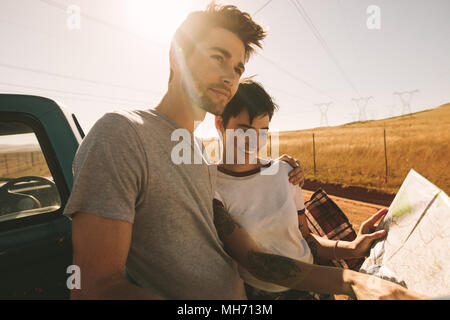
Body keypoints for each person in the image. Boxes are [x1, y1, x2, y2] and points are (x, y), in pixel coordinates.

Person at [63, 3, 304, 299]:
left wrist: (273, 167)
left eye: (238, 68)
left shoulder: (197, 151)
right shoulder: (122, 132)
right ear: (177, 55)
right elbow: (94, 290)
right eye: (218, 57)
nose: (230, 77)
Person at [212, 79, 428, 300]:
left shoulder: (286, 172)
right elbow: (254, 261)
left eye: (263, 131)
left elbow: (303, 238)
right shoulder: (211, 187)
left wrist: (351, 248)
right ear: (220, 123)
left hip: (319, 287)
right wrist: (350, 281)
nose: (254, 140)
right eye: (244, 130)